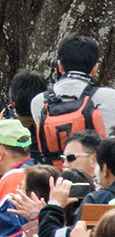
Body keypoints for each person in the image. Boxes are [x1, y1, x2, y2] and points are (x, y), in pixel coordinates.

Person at [31, 35, 115, 166]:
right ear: (95, 68)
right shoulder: (109, 97)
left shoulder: (39, 101)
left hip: (55, 179)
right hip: (98, 179)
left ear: (59, 66)